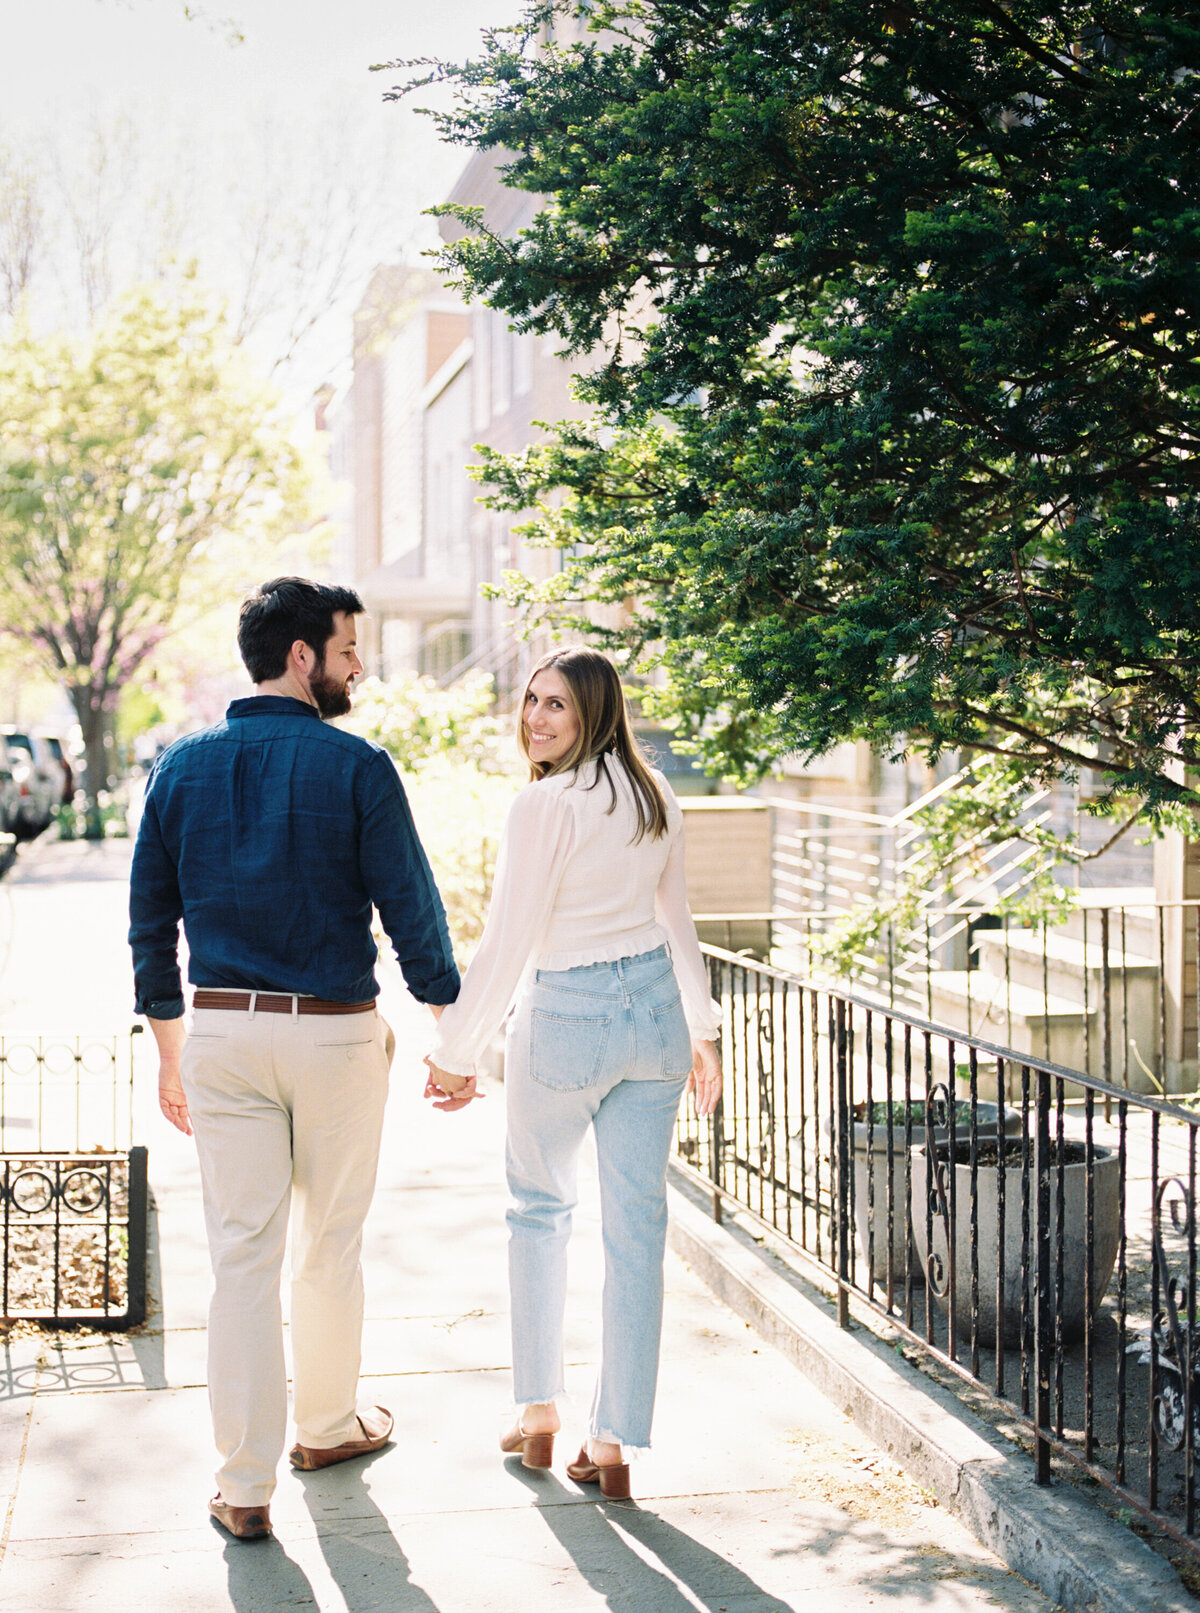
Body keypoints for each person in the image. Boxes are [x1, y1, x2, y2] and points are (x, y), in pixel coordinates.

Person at [128, 577, 464, 1542]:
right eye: (349, 648)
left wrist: (170, 1049)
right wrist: (453, 1034)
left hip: (223, 1032)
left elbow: (150, 926)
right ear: (304, 655)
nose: (360, 664)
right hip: (335, 1034)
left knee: (241, 1258)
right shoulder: (359, 767)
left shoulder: (179, 769)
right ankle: (323, 1429)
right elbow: (415, 918)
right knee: (329, 1244)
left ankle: (242, 1486)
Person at [424, 646, 723, 1500]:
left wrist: (454, 1055)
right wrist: (701, 1030)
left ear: (595, 711)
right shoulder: (655, 793)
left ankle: (540, 1412)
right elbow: (677, 924)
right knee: (636, 1229)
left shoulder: (543, 803)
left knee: (538, 1211)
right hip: (652, 1019)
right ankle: (614, 1437)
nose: (536, 718)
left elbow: (508, 936)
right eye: (531, 702)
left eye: (556, 705)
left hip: (565, 1019)